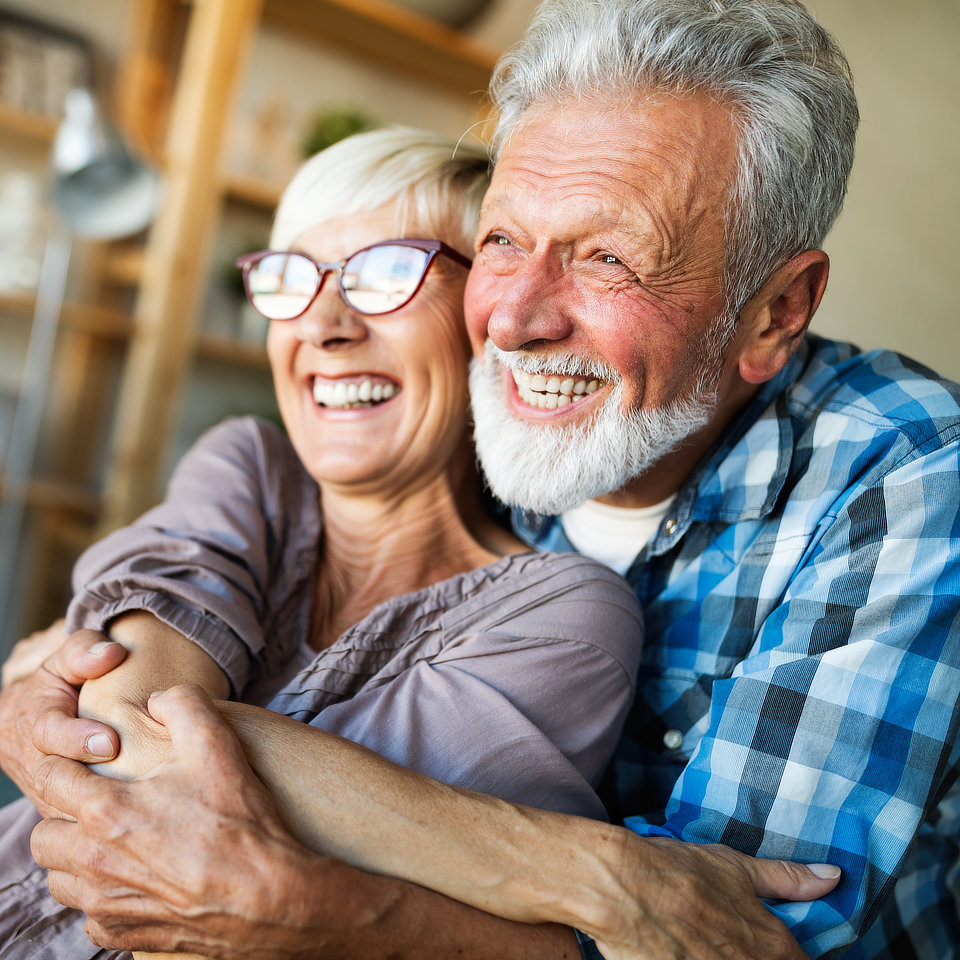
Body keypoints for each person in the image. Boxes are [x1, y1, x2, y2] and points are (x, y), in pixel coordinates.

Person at [7, 0, 959, 957]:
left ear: (775, 311)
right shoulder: (482, 440)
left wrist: (334, 913)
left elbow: (736, 937)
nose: (513, 320)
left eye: (608, 259)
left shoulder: (906, 471)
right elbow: (129, 660)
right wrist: (591, 872)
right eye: (504, 240)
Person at [0, 125, 648, 957]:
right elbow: (121, 734)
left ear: (489, 318)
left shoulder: (566, 616)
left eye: (387, 273)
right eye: (290, 279)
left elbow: (210, 821)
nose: (324, 324)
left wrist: (45, 680)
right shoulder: (248, 464)